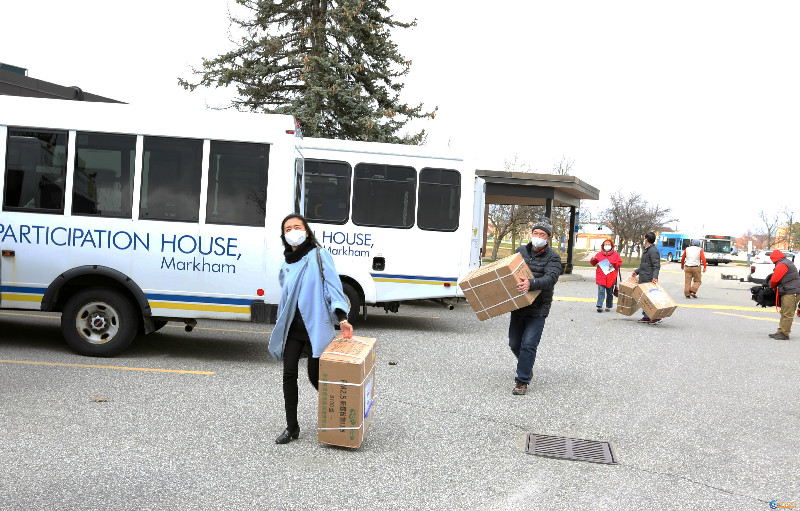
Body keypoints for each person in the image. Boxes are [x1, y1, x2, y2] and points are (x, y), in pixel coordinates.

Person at [268, 214, 354, 444]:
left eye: (297, 227)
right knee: (288, 375)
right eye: (288, 228)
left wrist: (342, 317)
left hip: (315, 326)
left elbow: (333, 286)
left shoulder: (319, 255)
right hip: (292, 329)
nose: (293, 231)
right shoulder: (286, 263)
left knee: (317, 378)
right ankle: (292, 427)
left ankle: (342, 416)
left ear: (306, 232)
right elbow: (286, 292)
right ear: (284, 236)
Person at [509, 216, 562, 396]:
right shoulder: (520, 251)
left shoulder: (553, 257)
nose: (538, 236)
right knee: (514, 343)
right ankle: (527, 365)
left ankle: (522, 380)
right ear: (531, 234)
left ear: (548, 238)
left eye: (542, 234)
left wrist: (531, 283)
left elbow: (551, 278)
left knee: (529, 344)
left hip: (539, 307)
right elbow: (509, 270)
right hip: (519, 304)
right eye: (535, 233)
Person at [767, 249, 800, 340]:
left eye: (771, 258)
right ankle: (780, 331)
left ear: (774, 258)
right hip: (789, 290)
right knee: (784, 312)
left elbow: (774, 279)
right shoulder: (785, 262)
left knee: (787, 313)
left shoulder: (782, 264)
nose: (771, 260)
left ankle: (784, 333)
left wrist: (772, 287)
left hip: (791, 291)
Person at [632, 231, 661, 324]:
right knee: (644, 298)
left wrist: (655, 276)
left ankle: (655, 317)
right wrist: (637, 271)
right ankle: (646, 316)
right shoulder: (648, 250)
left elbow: (656, 265)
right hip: (643, 276)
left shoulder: (653, 251)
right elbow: (645, 265)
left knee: (650, 298)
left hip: (648, 277)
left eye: (645, 238)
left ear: (646, 239)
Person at [590, 239, 622, 312]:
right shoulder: (599, 254)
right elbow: (593, 263)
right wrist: (593, 259)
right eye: (605, 244)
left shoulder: (616, 255)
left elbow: (619, 263)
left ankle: (608, 305)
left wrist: (613, 264)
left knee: (609, 292)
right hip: (601, 276)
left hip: (610, 276)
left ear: (612, 246)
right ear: (603, 246)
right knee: (601, 291)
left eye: (608, 244)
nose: (607, 246)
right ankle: (599, 305)